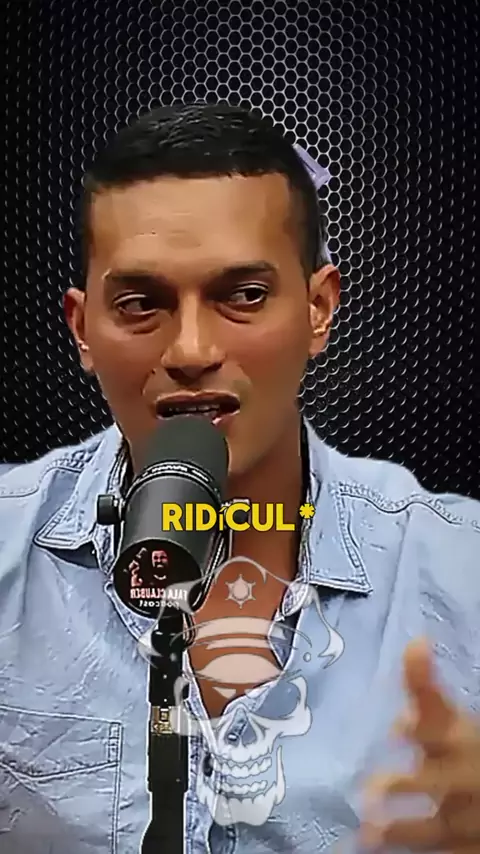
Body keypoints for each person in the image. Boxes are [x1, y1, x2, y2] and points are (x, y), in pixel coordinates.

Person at [0, 102, 479, 854]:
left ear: (319, 309)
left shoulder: (461, 574)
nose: (191, 350)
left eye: (244, 296)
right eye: (141, 304)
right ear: (82, 328)